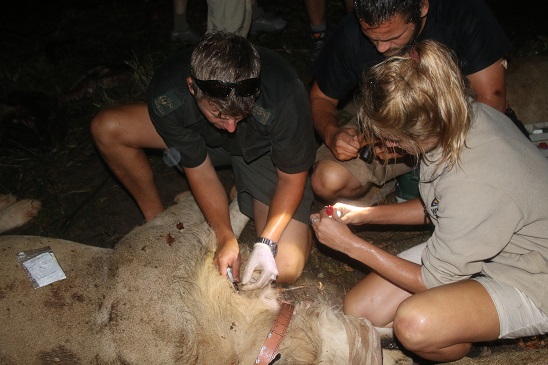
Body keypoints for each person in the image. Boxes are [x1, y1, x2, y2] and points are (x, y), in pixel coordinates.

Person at [310, 40, 548, 363]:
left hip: (533, 277)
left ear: (407, 136)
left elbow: (432, 279)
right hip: (480, 243)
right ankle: (463, 313)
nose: (382, 144)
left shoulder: (474, 181)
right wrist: (363, 215)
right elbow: (437, 208)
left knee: (413, 324)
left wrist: (351, 246)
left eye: (388, 138)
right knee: (359, 310)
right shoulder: (457, 118)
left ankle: (469, 340)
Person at [91, 31, 317, 290]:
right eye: (218, 112)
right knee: (107, 127)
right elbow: (199, 170)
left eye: (241, 113)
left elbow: (292, 177)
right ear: (192, 87)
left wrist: (266, 243)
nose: (230, 126)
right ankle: (157, 224)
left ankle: (246, 192)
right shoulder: (168, 93)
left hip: (263, 150)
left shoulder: (284, 92)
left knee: (285, 266)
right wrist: (224, 237)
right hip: (204, 141)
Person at [310, 0, 527, 207]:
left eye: (394, 36)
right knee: (326, 180)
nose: (382, 48)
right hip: (386, 128)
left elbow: (491, 104)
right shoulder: (352, 31)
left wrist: (417, 144)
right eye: (372, 38)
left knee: (495, 190)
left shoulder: (462, 12)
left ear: (422, 6)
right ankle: (396, 181)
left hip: (461, 127)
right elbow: (321, 98)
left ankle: (426, 184)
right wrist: (332, 134)